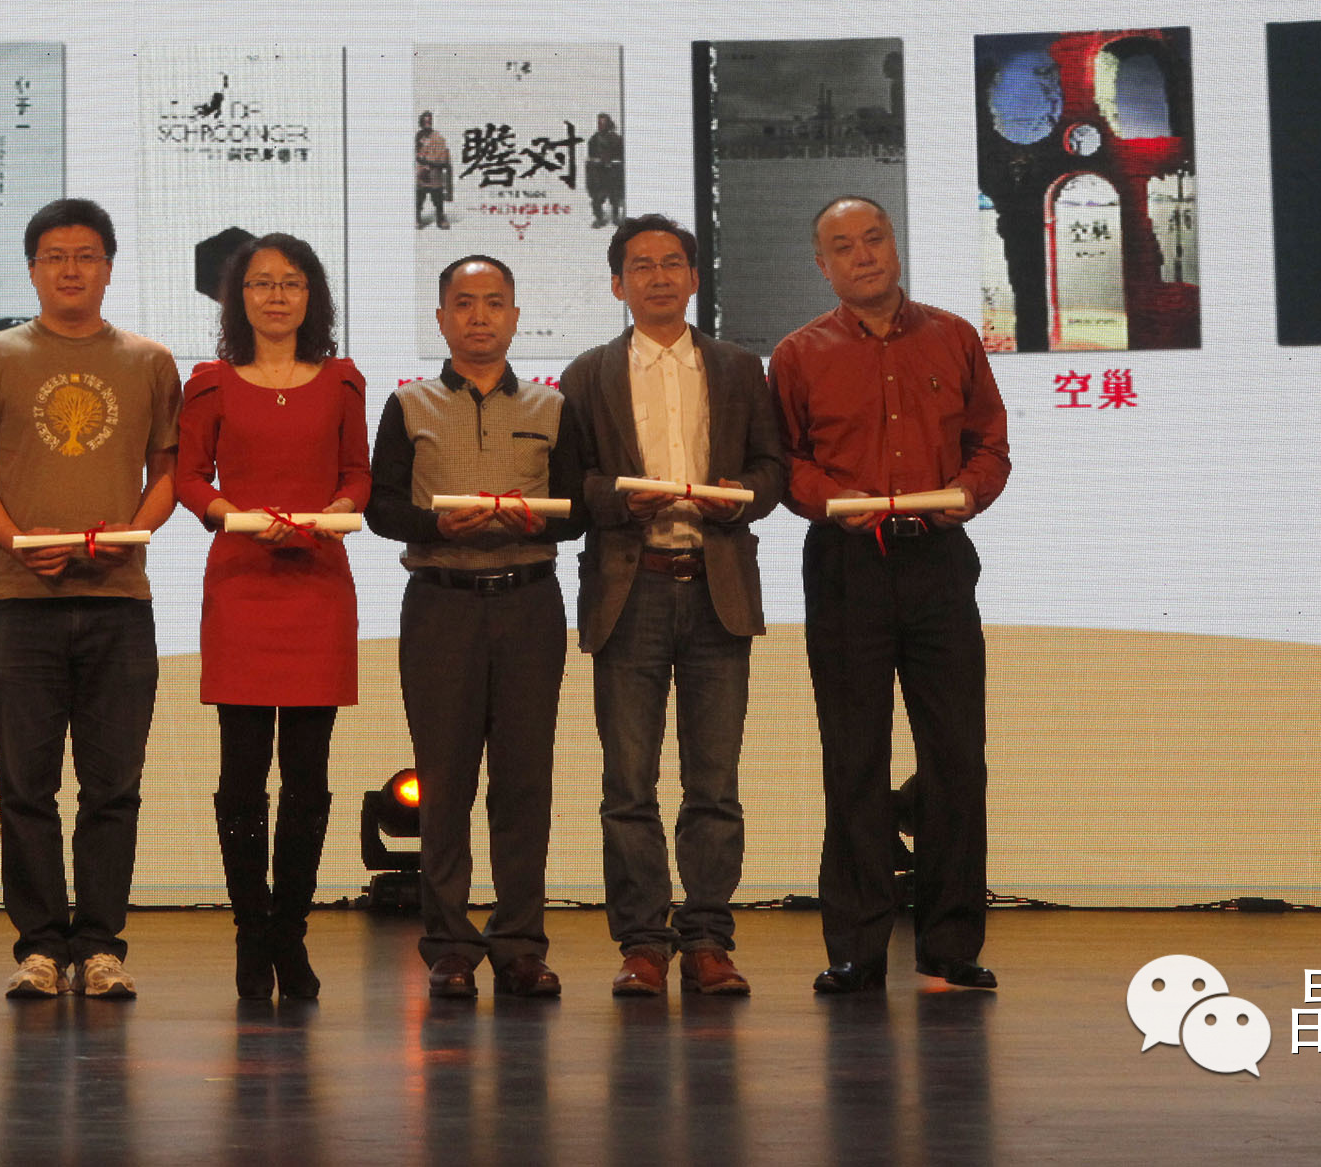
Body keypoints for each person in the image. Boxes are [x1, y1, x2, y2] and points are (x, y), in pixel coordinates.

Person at [769, 196, 1010, 996]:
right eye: (843, 246)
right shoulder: (797, 354)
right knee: (853, 758)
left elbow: (989, 443)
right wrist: (832, 500)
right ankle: (857, 946)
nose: (863, 255)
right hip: (847, 567)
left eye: (873, 238)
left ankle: (949, 942)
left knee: (956, 757)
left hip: (937, 559)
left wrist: (966, 492)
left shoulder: (953, 335)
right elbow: (786, 463)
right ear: (822, 265)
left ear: (893, 246)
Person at [0, 197, 181, 1001]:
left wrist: (130, 532)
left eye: (86, 255)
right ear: (32, 269)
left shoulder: (150, 360)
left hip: (119, 601)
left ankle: (102, 947)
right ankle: (40, 948)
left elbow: (168, 473)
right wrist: (18, 541)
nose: (71, 269)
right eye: (54, 256)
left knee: (112, 788)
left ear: (109, 267)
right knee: (26, 789)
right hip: (19, 602)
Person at [560, 217, 784, 999]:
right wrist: (619, 500)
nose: (657, 277)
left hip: (715, 589)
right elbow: (570, 485)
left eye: (671, 263)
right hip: (630, 590)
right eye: (640, 266)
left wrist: (738, 497)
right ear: (616, 284)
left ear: (693, 277)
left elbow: (771, 469)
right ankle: (642, 945)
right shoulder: (587, 373)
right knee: (627, 786)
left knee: (713, 783)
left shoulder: (736, 367)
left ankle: (708, 941)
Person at [365, 255, 588, 1001]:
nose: (480, 316)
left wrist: (537, 520)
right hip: (440, 603)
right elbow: (380, 507)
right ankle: (451, 946)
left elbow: (578, 509)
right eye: (464, 303)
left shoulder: (552, 406)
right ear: (441, 318)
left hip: (528, 604)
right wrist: (435, 524)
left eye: (494, 302)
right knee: (445, 782)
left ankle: (520, 944)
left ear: (516, 317)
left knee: (523, 781)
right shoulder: (409, 404)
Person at [173, 233, 368, 1002]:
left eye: (291, 282)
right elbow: (189, 477)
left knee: (308, 778)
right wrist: (232, 514)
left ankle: (291, 931)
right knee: (242, 775)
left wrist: (334, 510)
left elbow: (357, 474)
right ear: (238, 297)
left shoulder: (342, 380)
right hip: (243, 583)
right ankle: (250, 933)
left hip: (317, 582)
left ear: (311, 295)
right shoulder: (209, 383)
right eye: (260, 283)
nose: (276, 295)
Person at [585, 114, 626, 228]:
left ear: (608, 124)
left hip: (613, 172)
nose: (601, 125)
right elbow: (591, 157)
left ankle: (616, 217)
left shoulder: (617, 139)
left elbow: (621, 156)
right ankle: (599, 218)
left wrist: (612, 161)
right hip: (599, 173)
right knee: (597, 196)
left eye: (603, 123)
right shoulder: (594, 139)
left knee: (615, 195)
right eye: (599, 123)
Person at [415, 113, 453, 230]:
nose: (427, 124)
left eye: (429, 121)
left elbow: (443, 157)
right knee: (418, 197)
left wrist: (430, 164)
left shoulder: (438, 137)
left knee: (438, 198)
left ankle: (440, 218)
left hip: (434, 172)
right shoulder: (418, 137)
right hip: (420, 173)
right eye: (425, 121)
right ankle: (417, 217)